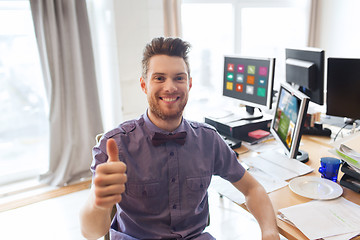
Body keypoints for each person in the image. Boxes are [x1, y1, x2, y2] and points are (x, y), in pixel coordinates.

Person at [80, 37, 280, 240]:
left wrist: (270, 231)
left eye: (179, 78)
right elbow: (91, 233)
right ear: (144, 85)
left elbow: (253, 188)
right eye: (159, 78)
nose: (170, 87)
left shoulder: (208, 140)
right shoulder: (115, 145)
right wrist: (99, 201)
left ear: (189, 84)